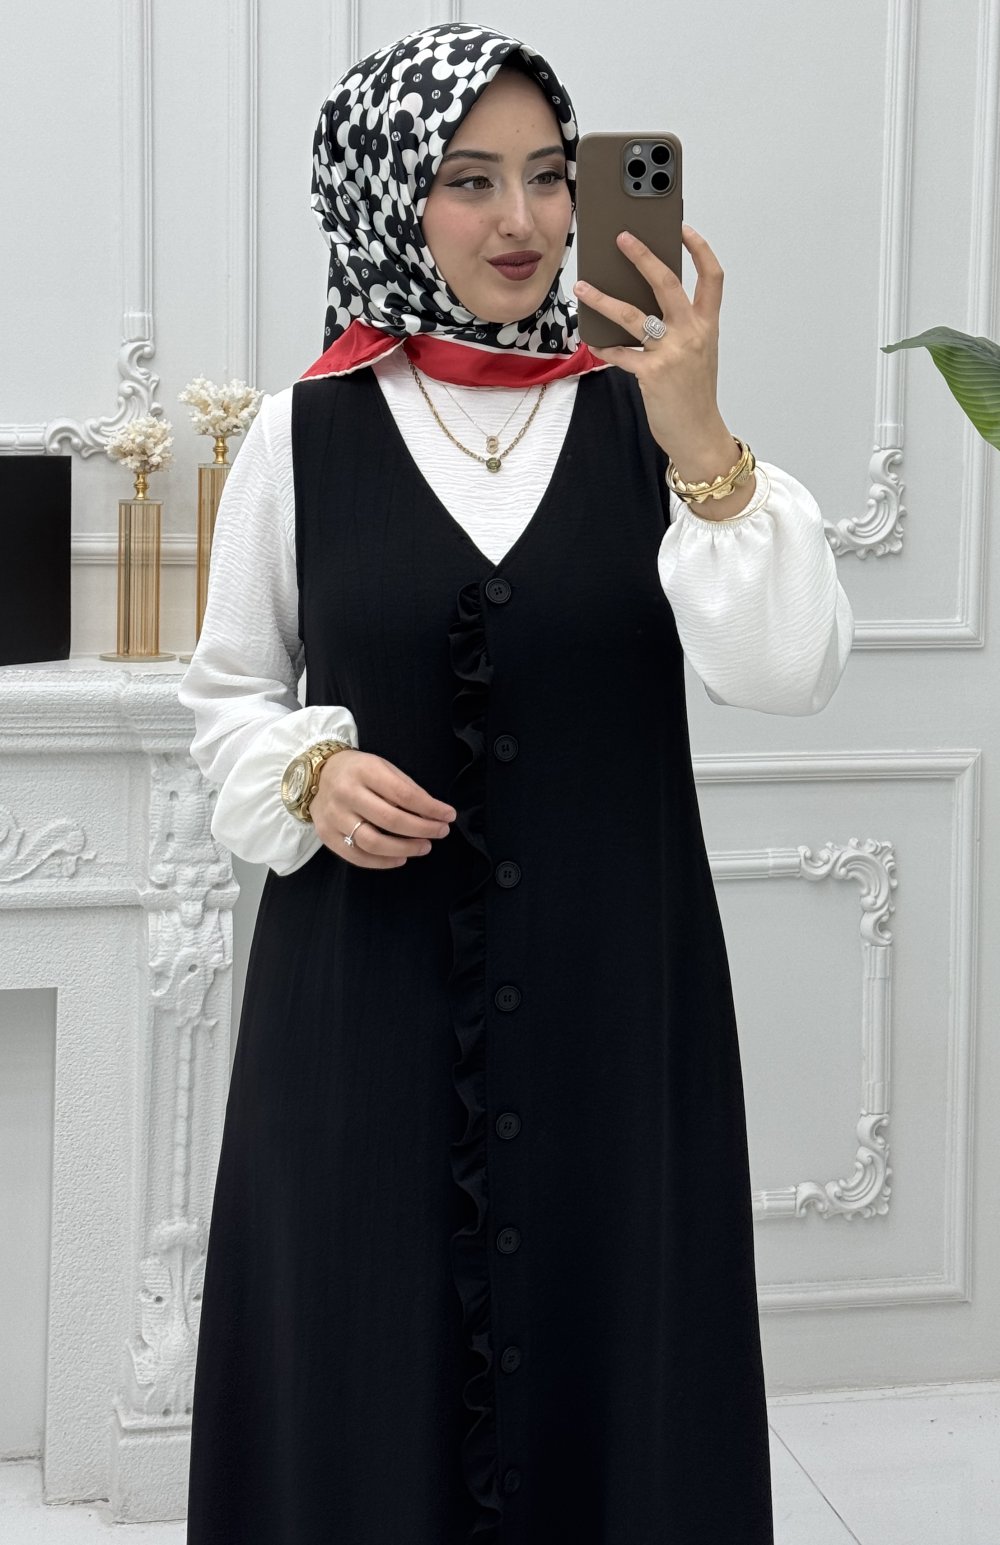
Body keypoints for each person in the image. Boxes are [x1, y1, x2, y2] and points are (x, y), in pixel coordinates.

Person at [179, 20, 854, 1545]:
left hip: (617, 1007)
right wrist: (311, 770)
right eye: (469, 180)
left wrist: (704, 439)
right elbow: (225, 696)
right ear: (388, 197)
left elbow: (787, 665)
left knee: (619, 1376)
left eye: (550, 176)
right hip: (361, 1015)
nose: (524, 221)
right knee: (361, 1367)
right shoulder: (303, 430)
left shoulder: (649, 415)